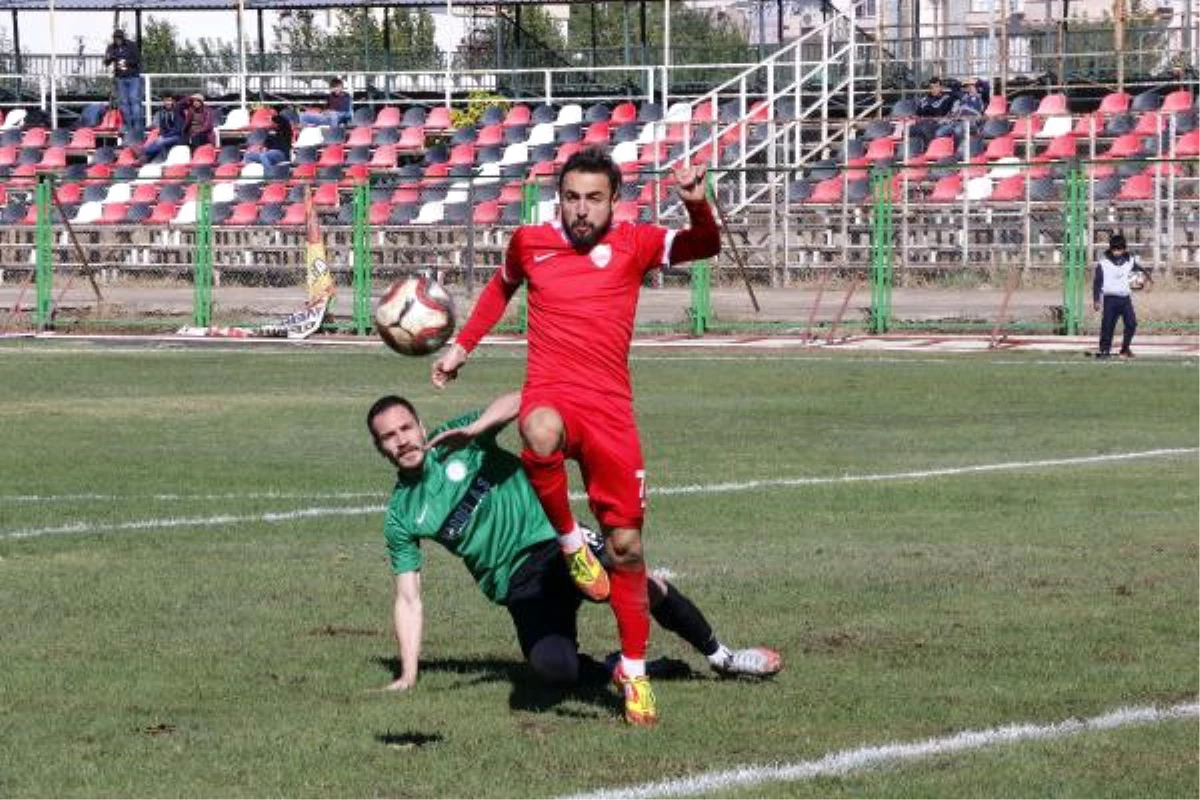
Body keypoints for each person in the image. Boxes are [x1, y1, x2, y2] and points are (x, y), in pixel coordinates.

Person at [430, 147, 721, 726]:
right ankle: (568, 543)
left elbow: (704, 245)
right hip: (552, 393)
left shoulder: (636, 242)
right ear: (557, 198)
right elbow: (498, 289)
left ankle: (635, 675)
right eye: (571, 197)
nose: (580, 210)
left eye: (593, 198)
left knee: (627, 551)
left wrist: (695, 199)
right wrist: (463, 346)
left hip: (611, 412)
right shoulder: (530, 243)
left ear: (614, 199)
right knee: (536, 430)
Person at [367, 392, 782, 695]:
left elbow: (524, 400)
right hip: (518, 587)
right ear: (379, 448)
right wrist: (408, 674)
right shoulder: (402, 514)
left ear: (421, 427)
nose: (402, 440)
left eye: (406, 428)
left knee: (637, 583)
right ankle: (623, 668)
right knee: (554, 670)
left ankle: (722, 657)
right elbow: (408, 598)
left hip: (557, 543)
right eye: (389, 437)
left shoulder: (459, 441)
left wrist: (476, 428)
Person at [1093, 233, 1150, 359]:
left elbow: (1139, 270)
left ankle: (1125, 349)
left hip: (1125, 299)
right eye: (1114, 249)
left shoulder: (1129, 261)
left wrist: (1146, 279)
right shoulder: (1103, 263)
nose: (1117, 252)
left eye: (1119, 249)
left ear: (1124, 249)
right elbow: (1097, 283)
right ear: (1110, 248)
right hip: (1110, 299)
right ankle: (1104, 350)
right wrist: (1096, 299)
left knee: (1131, 324)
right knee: (1107, 325)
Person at [102, 29, 144, 141]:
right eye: (116, 38)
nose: (117, 40)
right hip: (120, 78)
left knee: (134, 102)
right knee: (124, 104)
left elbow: (138, 59)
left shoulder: (131, 45)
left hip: (133, 77)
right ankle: (129, 130)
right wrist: (109, 58)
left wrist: (125, 61)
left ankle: (138, 130)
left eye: (119, 38)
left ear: (123, 38)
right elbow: (106, 62)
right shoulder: (111, 47)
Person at [934, 78, 985, 143]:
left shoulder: (980, 98)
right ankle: (944, 150)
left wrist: (976, 81)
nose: (970, 88)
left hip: (970, 123)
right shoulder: (963, 97)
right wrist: (961, 82)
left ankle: (958, 150)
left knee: (957, 131)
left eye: (972, 86)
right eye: (968, 86)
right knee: (939, 133)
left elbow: (985, 85)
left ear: (977, 88)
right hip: (957, 121)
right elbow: (954, 89)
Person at [141, 94, 186, 163]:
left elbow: (178, 130)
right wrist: (162, 134)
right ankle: (146, 158)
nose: (167, 103)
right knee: (156, 141)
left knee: (160, 142)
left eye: (169, 101)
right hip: (167, 136)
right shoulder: (163, 113)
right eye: (166, 101)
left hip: (178, 136)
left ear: (173, 102)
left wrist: (165, 136)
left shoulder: (178, 112)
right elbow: (162, 127)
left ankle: (142, 153)